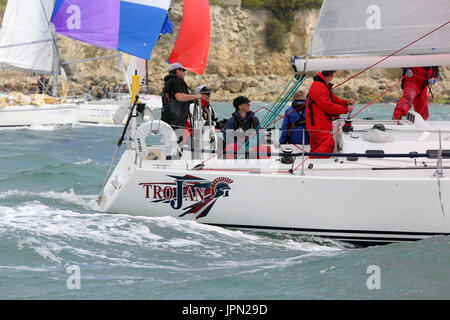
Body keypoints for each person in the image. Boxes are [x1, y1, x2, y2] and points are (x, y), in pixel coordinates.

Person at [306, 70, 355, 156]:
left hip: (318, 124)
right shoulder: (318, 86)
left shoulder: (321, 85)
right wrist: (346, 109)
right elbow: (328, 106)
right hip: (318, 125)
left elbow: (333, 98)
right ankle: (313, 165)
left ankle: (311, 165)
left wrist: (345, 102)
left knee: (316, 148)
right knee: (329, 144)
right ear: (331, 75)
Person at [161, 62, 201, 130]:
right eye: (183, 70)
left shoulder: (168, 82)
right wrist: (195, 97)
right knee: (178, 139)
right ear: (177, 71)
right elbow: (179, 97)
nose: (184, 73)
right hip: (177, 121)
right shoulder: (176, 80)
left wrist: (187, 112)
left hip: (169, 119)